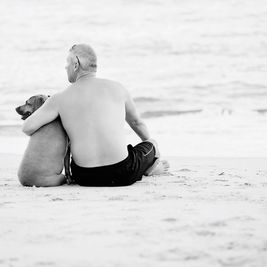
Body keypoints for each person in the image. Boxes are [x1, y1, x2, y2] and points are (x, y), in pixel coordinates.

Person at [22, 44, 169, 186]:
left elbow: (27, 128)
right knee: (151, 144)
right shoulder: (118, 88)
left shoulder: (59, 98)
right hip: (122, 173)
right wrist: (151, 149)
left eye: (67, 62)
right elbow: (137, 123)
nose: (65, 67)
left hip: (84, 176)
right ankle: (150, 166)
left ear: (75, 64)